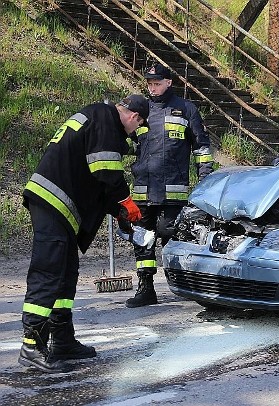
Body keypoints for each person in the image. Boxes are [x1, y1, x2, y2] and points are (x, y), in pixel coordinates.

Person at [20, 95, 148, 373]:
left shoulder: (98, 119)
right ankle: (32, 344)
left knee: (66, 273)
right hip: (52, 201)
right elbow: (106, 171)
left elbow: (96, 181)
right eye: (137, 128)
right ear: (134, 117)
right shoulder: (105, 118)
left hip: (56, 203)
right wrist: (125, 200)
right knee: (49, 271)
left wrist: (120, 214)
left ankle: (62, 341)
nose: (133, 134)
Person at [125, 63, 214, 308]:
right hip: (143, 189)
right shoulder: (140, 110)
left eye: (157, 83)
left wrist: (205, 176)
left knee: (168, 233)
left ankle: (181, 283)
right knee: (142, 238)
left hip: (173, 189)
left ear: (169, 83)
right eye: (149, 84)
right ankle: (146, 288)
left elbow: (201, 147)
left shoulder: (186, 109)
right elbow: (128, 143)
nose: (152, 88)